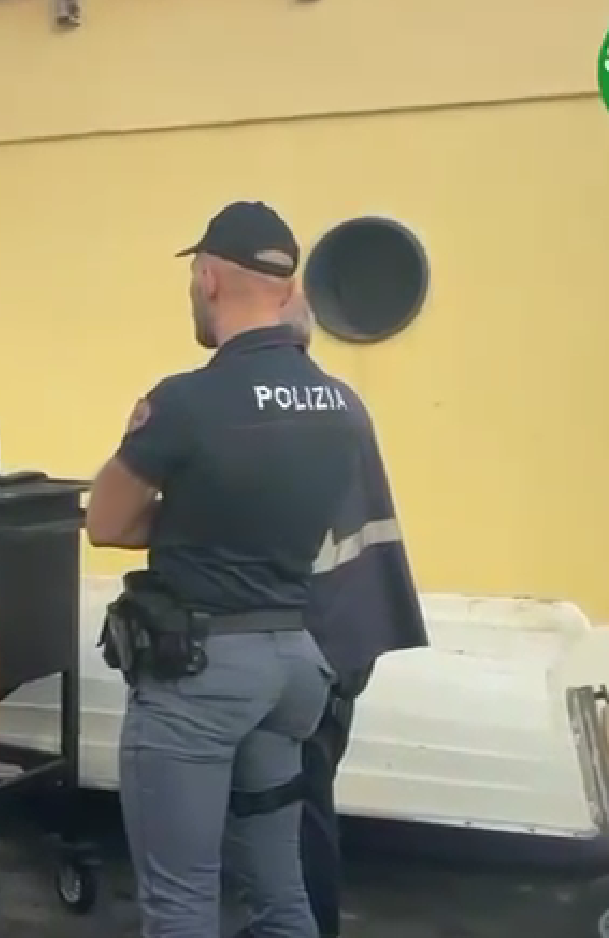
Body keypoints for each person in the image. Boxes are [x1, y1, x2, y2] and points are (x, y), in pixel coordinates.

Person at [86, 201, 364, 938]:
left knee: (181, 902)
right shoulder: (341, 405)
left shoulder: (185, 402)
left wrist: (188, 520)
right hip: (294, 667)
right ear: (286, 287)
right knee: (280, 896)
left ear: (208, 278)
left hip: (200, 679)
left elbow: (105, 522)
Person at [230, 294, 427, 938]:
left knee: (293, 808)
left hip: (313, 639)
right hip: (351, 628)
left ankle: (305, 926)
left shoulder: (274, 412)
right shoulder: (339, 402)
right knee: (304, 800)